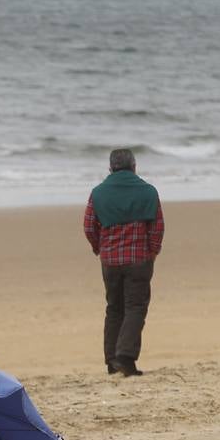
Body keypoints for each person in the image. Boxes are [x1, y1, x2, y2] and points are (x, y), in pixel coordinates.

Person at [84, 148, 164, 376]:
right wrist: (153, 252)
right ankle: (125, 357)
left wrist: (99, 247)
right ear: (134, 167)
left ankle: (111, 361)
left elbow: (89, 226)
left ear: (110, 168)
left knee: (114, 308)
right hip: (139, 258)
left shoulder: (98, 193)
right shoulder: (148, 191)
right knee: (135, 307)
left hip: (110, 260)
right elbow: (157, 228)